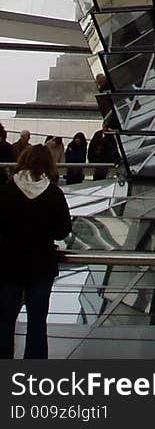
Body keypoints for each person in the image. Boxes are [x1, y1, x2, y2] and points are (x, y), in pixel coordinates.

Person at [0, 144, 72, 359]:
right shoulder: (54, 193)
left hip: (8, 264)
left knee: (4, 322)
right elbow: (63, 230)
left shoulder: (7, 189)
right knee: (37, 323)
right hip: (41, 264)